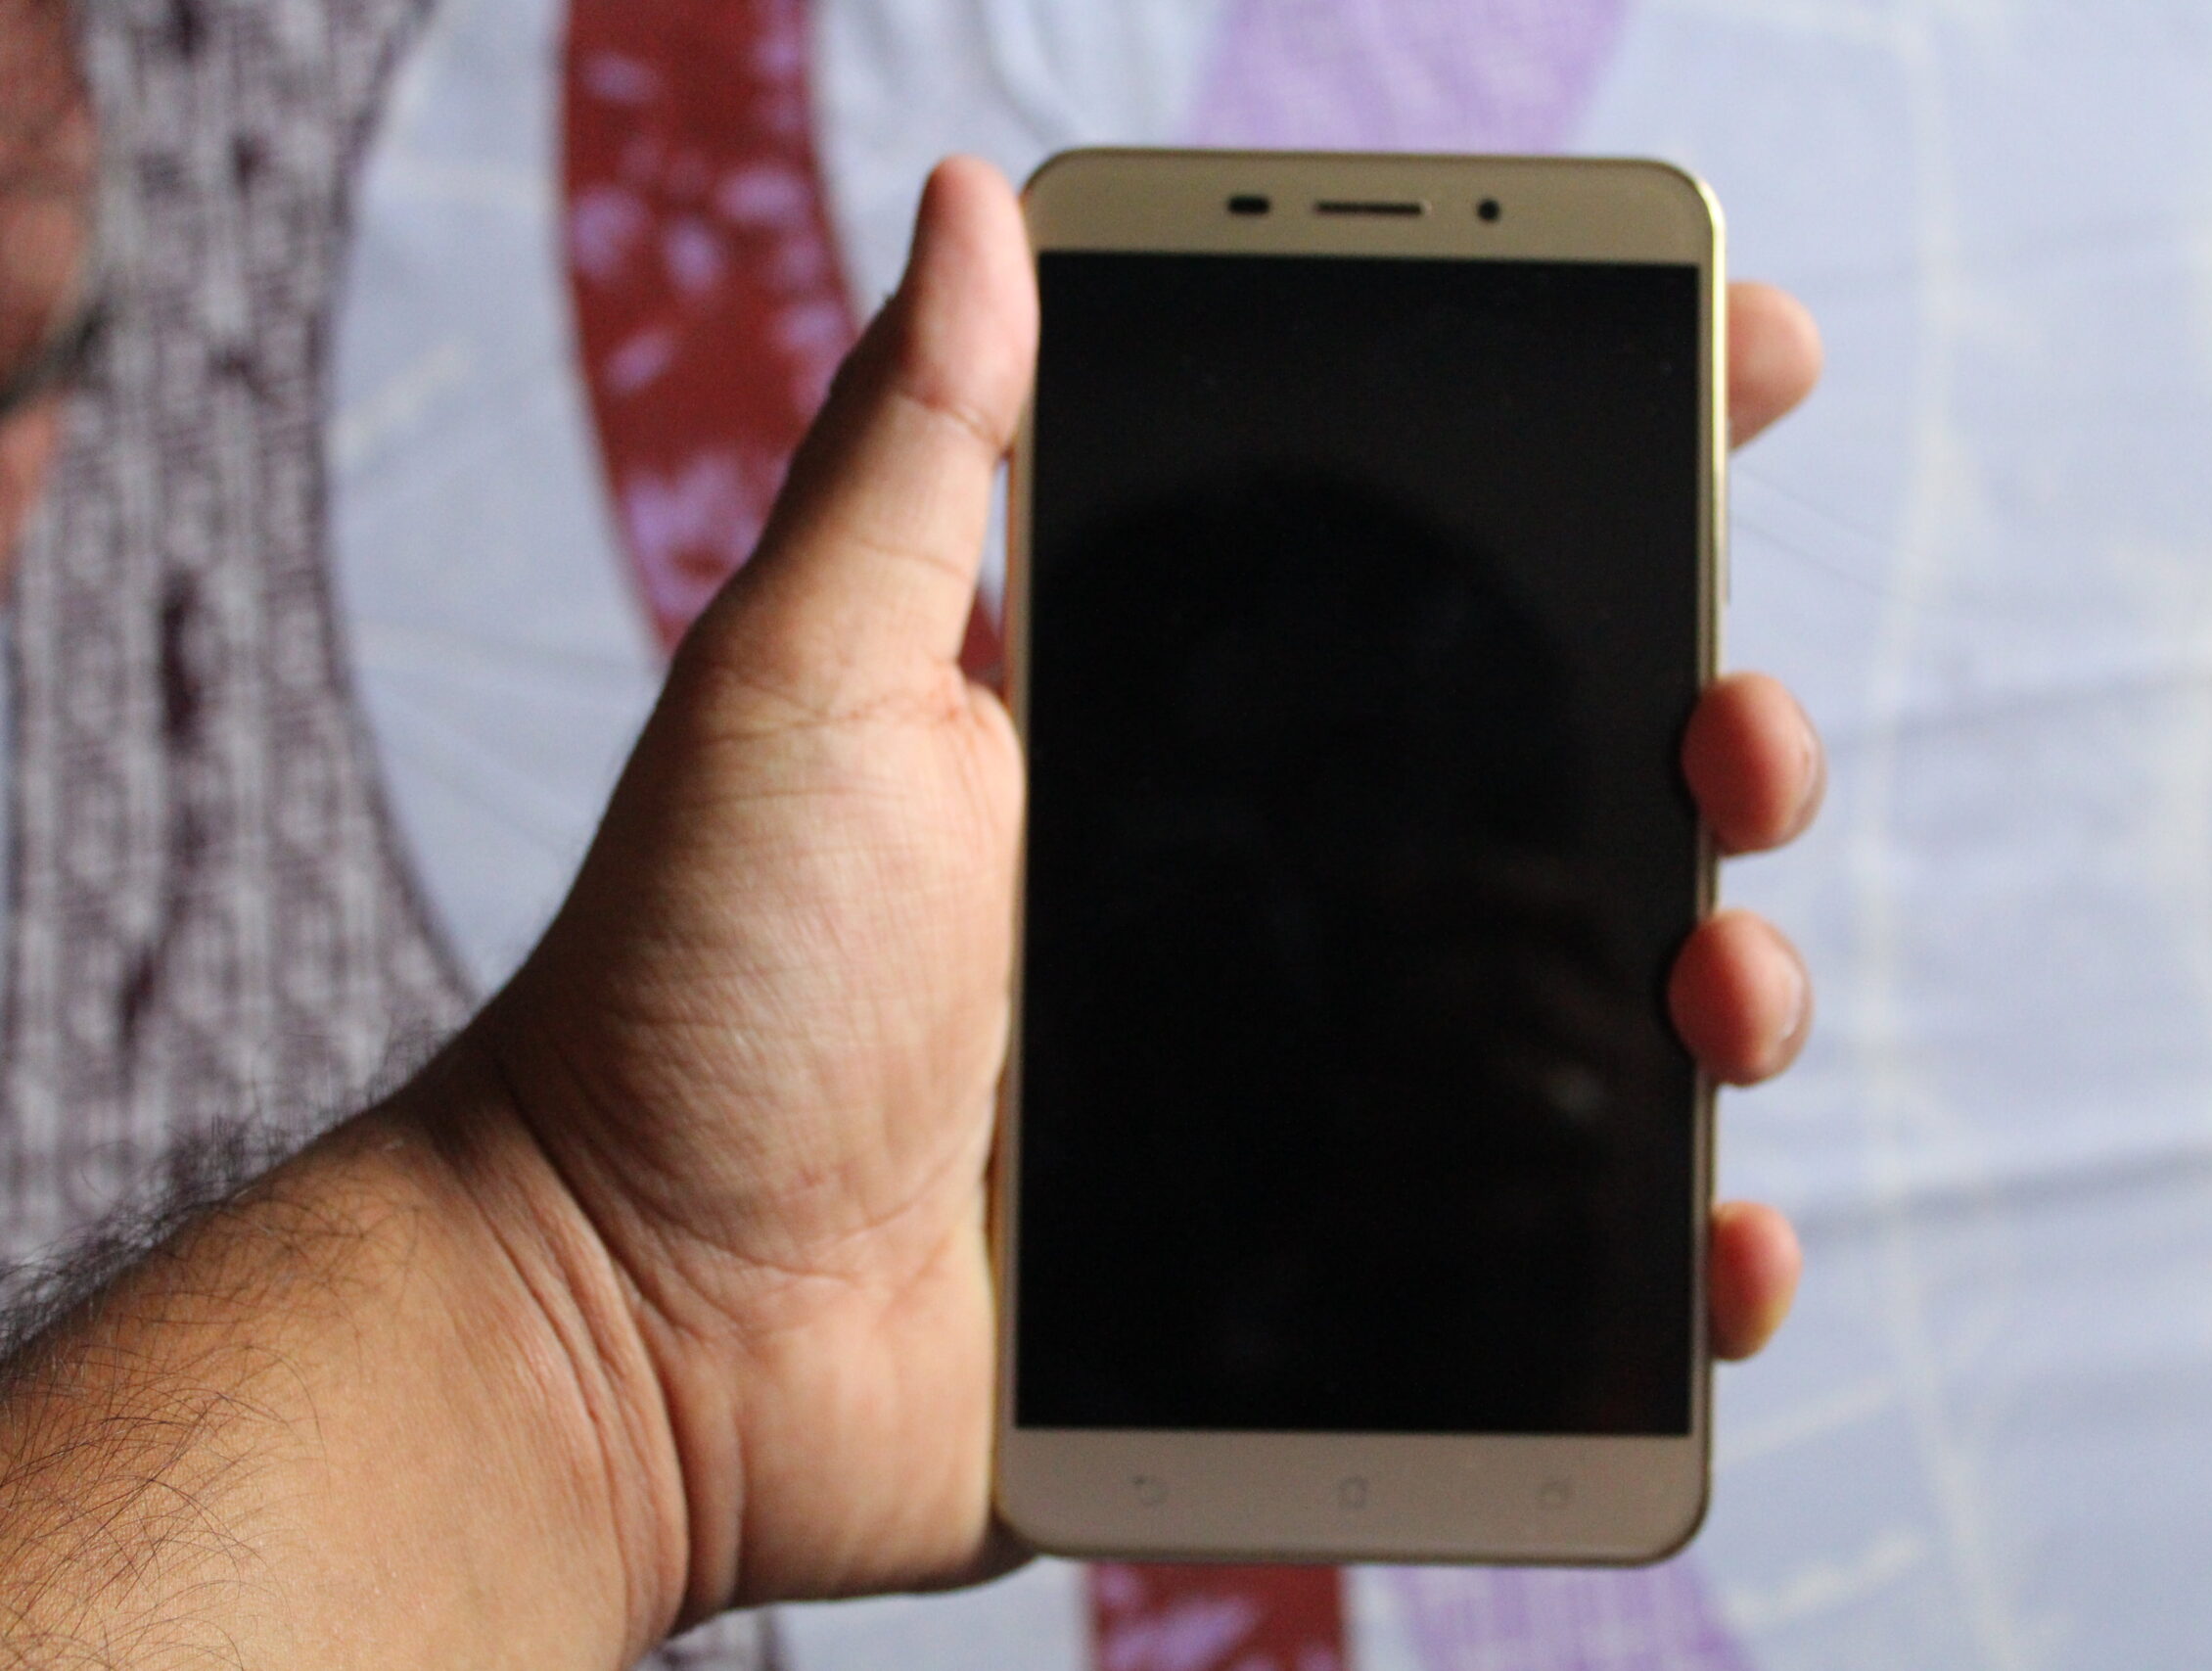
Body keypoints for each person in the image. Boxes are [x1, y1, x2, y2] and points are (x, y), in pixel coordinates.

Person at [0, 157, 1824, 1664]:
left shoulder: (1510, 1136)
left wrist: (601, 1319)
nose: (1289, 963)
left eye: (1401, 878)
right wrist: (611, 1301)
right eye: (1221, 876)